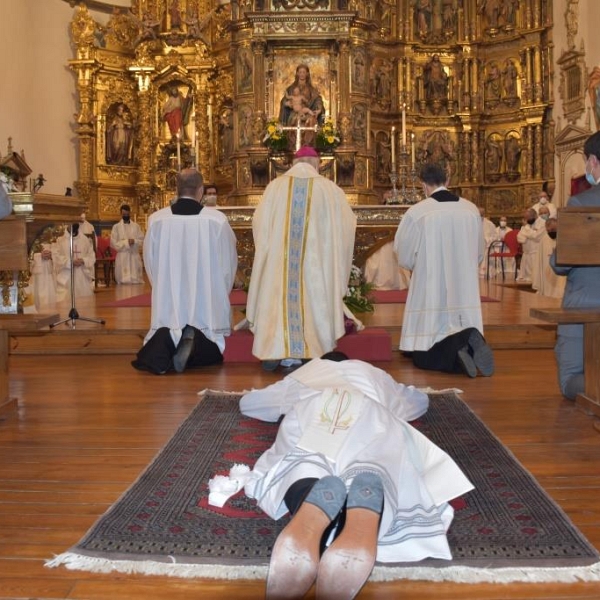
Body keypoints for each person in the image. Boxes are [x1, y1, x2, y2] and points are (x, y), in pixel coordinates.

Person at [236, 355, 474, 598]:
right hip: (371, 410)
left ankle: (308, 497)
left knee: (302, 460)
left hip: (315, 407)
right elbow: (418, 403)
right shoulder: (372, 372)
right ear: (350, 360)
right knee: (378, 462)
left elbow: (251, 404)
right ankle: (367, 496)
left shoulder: (305, 374)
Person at [245, 146, 358, 371]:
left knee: (278, 294)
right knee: (315, 298)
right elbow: (347, 226)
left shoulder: (274, 187)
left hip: (280, 261)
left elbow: (258, 224)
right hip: (317, 264)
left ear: (293, 164)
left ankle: (275, 348)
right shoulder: (330, 189)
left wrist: (273, 247)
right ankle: (313, 348)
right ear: (316, 165)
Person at [132, 169, 238, 375]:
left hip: (169, 295)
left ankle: (167, 342)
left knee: (167, 327)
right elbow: (228, 262)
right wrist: (220, 291)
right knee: (212, 347)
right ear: (201, 191)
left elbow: (150, 261)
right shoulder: (216, 220)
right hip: (205, 298)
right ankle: (196, 340)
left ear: (176, 189)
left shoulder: (157, 220)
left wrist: (161, 286)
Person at [394, 163, 494, 377]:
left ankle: (457, 354)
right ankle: (467, 338)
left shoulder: (419, 212)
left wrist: (413, 267)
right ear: (448, 181)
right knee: (456, 320)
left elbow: (403, 252)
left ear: (423, 184)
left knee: (422, 352)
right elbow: (479, 250)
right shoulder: (470, 209)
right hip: (463, 282)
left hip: (431, 281)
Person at [551, 131, 600, 402]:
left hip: (586, 308)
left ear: (593, 161)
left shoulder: (581, 203)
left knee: (571, 379)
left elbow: (562, 263)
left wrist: (553, 255)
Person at [279, 64, 324, 147]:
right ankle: (293, 144)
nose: (302, 74)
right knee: (296, 119)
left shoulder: (311, 89)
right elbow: (284, 100)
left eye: (304, 72)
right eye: (300, 72)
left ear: (307, 74)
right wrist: (287, 103)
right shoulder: (291, 88)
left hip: (307, 112)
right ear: (297, 74)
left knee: (311, 120)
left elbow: (317, 99)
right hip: (294, 113)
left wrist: (319, 108)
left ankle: (308, 145)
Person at [53, 223, 96, 303]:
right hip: (66, 275)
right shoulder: (60, 240)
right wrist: (70, 262)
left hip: (82, 274)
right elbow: (56, 256)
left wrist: (83, 260)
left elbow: (91, 256)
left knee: (85, 302)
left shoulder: (85, 240)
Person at [110, 204, 144, 284]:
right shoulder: (116, 227)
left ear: (130, 213)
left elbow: (142, 240)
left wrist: (134, 241)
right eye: (124, 214)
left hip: (134, 255)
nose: (126, 216)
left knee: (136, 283)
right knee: (123, 282)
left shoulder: (136, 226)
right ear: (121, 214)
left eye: (127, 214)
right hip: (123, 255)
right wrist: (126, 242)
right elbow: (113, 243)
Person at [532, 217, 565, 299]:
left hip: (559, 268)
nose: (551, 232)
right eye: (549, 230)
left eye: (554, 229)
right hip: (546, 268)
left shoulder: (562, 238)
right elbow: (539, 259)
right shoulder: (543, 240)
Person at [516, 207, 546, 282]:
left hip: (535, 252)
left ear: (535, 216)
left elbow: (536, 237)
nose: (527, 220)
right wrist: (530, 233)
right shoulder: (528, 224)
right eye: (525, 218)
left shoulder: (543, 223)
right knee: (525, 277)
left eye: (528, 218)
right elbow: (520, 238)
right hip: (526, 252)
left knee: (534, 277)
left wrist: (527, 229)